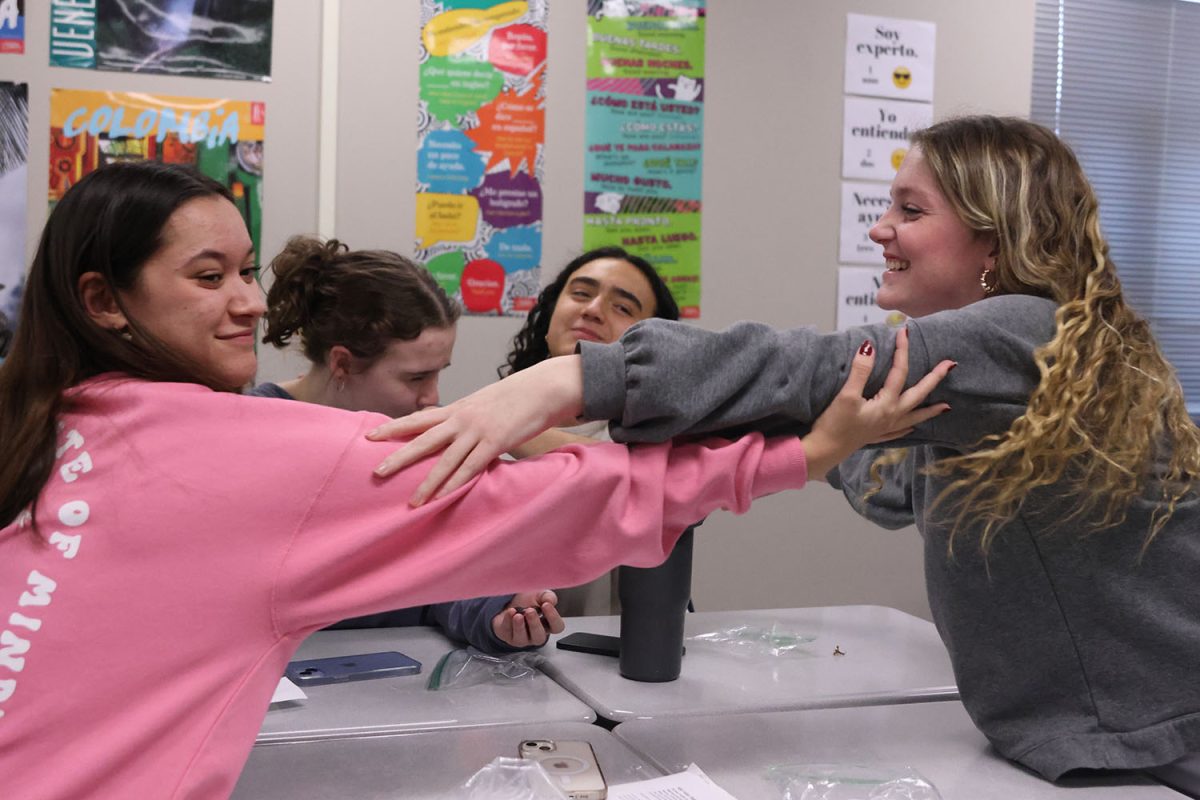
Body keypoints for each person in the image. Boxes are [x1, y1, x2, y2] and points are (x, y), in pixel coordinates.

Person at [0, 160, 949, 798]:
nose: (248, 302)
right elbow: (575, 501)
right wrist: (804, 453)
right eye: (209, 279)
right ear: (103, 302)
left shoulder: (51, 423)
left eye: (245, 271)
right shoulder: (259, 450)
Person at [372, 115, 1200, 781]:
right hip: (1113, 738)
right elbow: (887, 483)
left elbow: (804, 367)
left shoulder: (1023, 330)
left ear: (993, 244)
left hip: (1143, 744)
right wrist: (806, 441)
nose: (881, 230)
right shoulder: (1017, 364)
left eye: (911, 212)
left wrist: (564, 383)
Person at [254, 235, 564, 651]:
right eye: (416, 378)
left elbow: (447, 574)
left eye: (439, 372)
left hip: (400, 678)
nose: (432, 397)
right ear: (342, 363)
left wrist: (503, 611)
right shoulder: (254, 436)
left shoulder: (428, 437)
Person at [499, 246, 680, 615]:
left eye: (623, 308)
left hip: (611, 657)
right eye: (580, 293)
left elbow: (629, 476)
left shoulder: (660, 435)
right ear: (549, 316)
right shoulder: (490, 417)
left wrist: (514, 429)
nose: (592, 310)